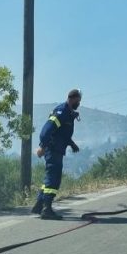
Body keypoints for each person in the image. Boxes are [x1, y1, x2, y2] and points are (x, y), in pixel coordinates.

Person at [31, 88, 82, 220]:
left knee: (50, 177)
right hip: (53, 149)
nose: (79, 104)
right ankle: (47, 209)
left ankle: (39, 204)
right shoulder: (61, 111)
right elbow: (47, 129)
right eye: (78, 101)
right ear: (72, 99)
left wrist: (71, 143)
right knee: (54, 179)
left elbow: (63, 134)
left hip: (57, 149)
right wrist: (42, 146)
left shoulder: (68, 113)